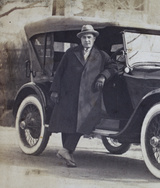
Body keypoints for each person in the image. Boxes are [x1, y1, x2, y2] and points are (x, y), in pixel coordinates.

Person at [49, 25, 117, 167]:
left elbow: (113, 67)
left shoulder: (101, 55)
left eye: (89, 37)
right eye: (84, 37)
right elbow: (59, 72)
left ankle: (66, 150)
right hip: (69, 95)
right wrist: (55, 90)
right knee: (67, 125)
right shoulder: (70, 53)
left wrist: (103, 77)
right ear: (80, 39)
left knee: (85, 123)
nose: (87, 40)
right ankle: (68, 155)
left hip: (88, 99)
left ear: (94, 39)